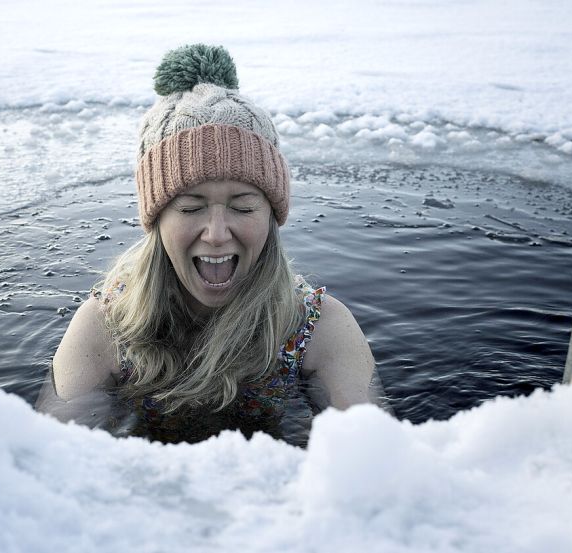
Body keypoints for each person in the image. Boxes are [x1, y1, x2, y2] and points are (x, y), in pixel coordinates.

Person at [36, 44, 380, 443]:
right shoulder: (105, 326)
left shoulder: (319, 326)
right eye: (190, 208)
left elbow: (374, 460)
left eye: (243, 207)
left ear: (272, 214)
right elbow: (52, 459)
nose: (216, 233)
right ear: (156, 220)